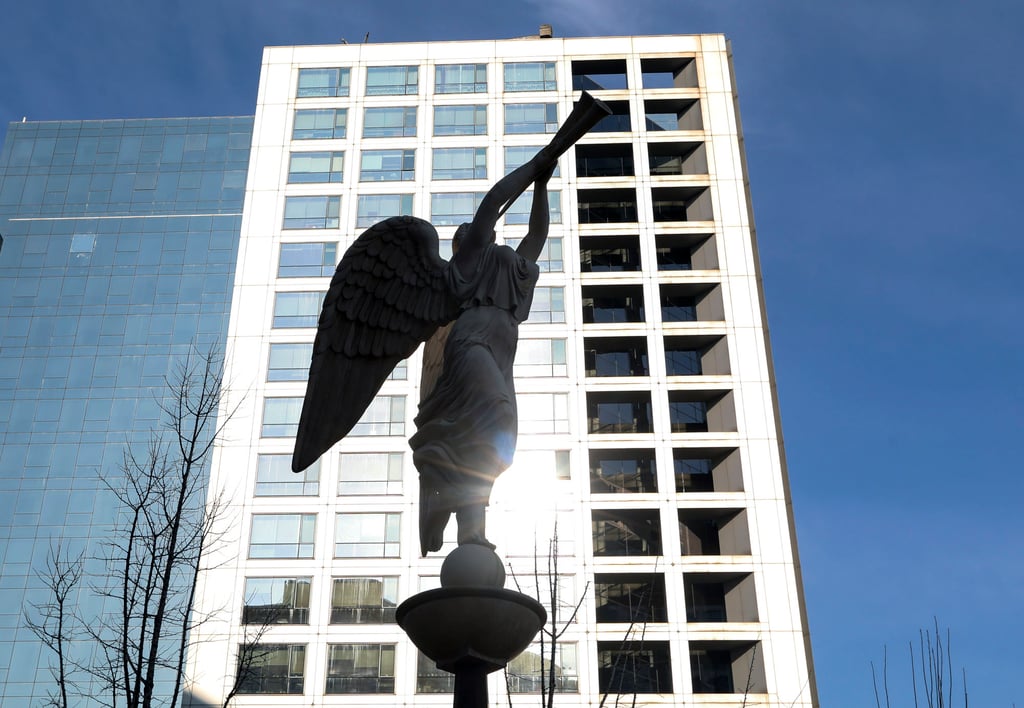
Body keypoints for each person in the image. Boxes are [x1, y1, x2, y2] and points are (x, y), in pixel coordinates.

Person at [410, 149, 559, 554]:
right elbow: (493, 202)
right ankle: (448, 497)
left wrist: (543, 186)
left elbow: (537, 237)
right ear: (463, 244)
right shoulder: (469, 262)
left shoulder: (509, 266)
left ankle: (463, 519)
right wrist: (536, 165)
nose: (476, 230)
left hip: (499, 354)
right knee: (497, 413)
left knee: (493, 443)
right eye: (470, 231)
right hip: (471, 343)